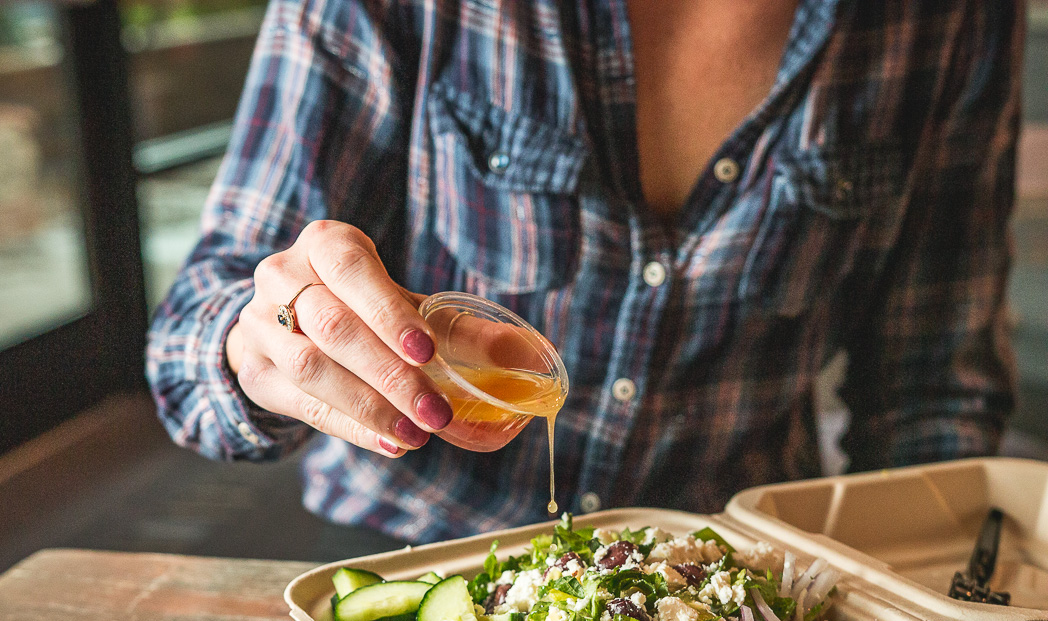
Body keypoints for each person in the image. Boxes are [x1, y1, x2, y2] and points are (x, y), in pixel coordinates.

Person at [146, 0, 1020, 544]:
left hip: (737, 590)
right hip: (400, 556)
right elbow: (193, 333)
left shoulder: (947, 17)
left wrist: (916, 609)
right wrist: (263, 341)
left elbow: (933, 392)